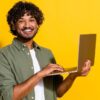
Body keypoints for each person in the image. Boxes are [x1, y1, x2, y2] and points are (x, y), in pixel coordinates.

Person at [0, 1, 91, 100]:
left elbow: (58, 92)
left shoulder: (47, 53)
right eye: (21, 21)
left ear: (38, 24)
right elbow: (8, 97)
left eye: (32, 20)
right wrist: (40, 74)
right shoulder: (3, 55)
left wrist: (74, 74)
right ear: (13, 25)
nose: (27, 25)